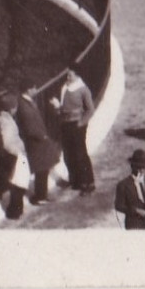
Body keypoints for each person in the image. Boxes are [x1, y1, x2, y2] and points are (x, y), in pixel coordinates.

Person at [50, 66, 95, 194]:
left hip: (77, 125)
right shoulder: (65, 88)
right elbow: (63, 108)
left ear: (77, 76)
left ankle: (88, 182)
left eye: (70, 75)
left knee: (80, 153)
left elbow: (90, 109)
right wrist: (57, 107)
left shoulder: (83, 90)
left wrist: (81, 123)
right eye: (67, 75)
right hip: (65, 124)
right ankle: (75, 180)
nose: (68, 78)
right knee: (68, 153)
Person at [15, 84, 61, 205]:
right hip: (36, 142)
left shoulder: (27, 102)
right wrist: (43, 136)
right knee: (41, 169)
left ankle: (42, 195)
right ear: (28, 89)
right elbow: (30, 127)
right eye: (34, 88)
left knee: (44, 168)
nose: (36, 90)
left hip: (39, 141)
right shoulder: (24, 106)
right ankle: (39, 196)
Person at [0, 93, 26, 220]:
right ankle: (15, 211)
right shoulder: (7, 123)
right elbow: (7, 142)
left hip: (6, 155)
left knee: (15, 182)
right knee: (18, 183)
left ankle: (16, 209)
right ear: (11, 108)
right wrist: (19, 153)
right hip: (14, 155)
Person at [114, 149, 145, 230]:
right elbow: (119, 206)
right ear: (132, 166)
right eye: (138, 167)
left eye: (143, 167)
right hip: (134, 223)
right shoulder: (123, 185)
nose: (141, 170)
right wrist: (136, 211)